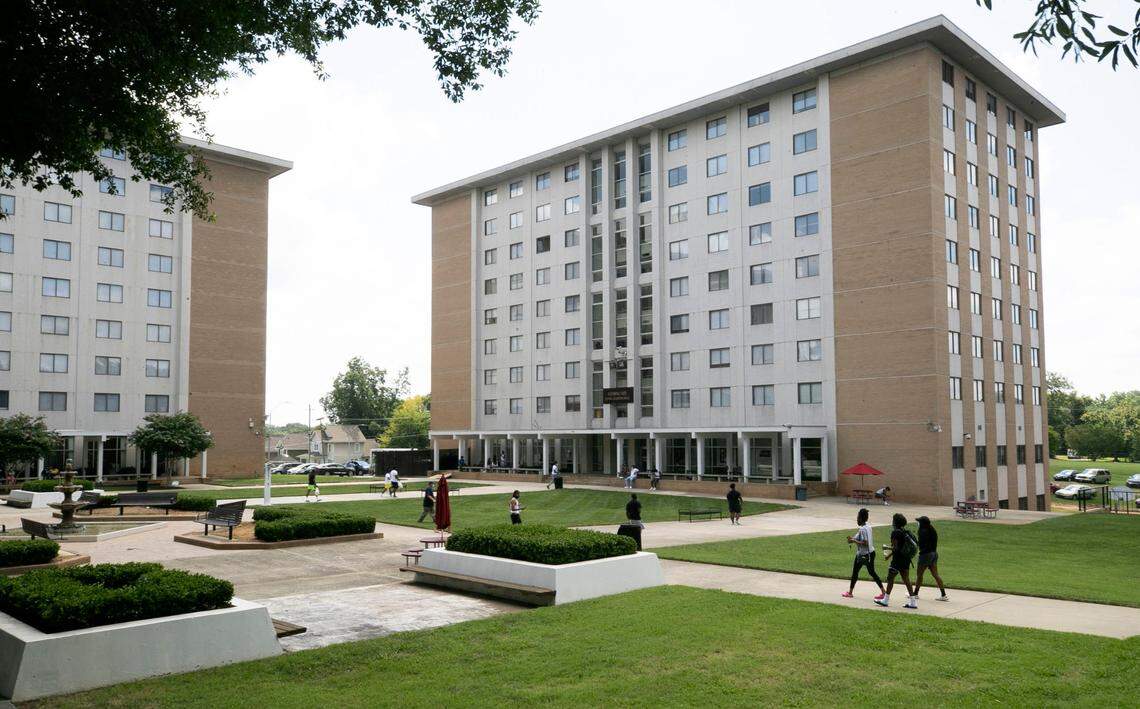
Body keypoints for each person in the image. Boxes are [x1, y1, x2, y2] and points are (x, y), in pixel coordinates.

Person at [874, 513, 919, 609]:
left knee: (890, 578)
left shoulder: (895, 533)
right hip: (906, 559)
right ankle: (913, 602)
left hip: (898, 560)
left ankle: (885, 600)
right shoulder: (905, 532)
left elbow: (895, 548)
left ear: (895, 522)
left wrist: (889, 554)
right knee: (906, 580)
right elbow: (898, 547)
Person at [842, 508, 885, 599]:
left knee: (856, 573)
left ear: (861, 518)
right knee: (871, 572)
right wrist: (852, 540)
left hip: (864, 555)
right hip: (871, 553)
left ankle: (850, 593)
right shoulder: (868, 527)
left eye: (858, 517)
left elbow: (865, 543)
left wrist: (853, 541)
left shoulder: (862, 529)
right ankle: (883, 592)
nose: (857, 519)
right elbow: (858, 537)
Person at [914, 516, 949, 601]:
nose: (918, 523)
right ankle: (943, 594)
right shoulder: (932, 530)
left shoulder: (923, 532)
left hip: (925, 555)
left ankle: (915, 594)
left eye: (919, 522)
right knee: (935, 574)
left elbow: (920, 545)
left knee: (919, 575)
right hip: (934, 554)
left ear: (922, 524)